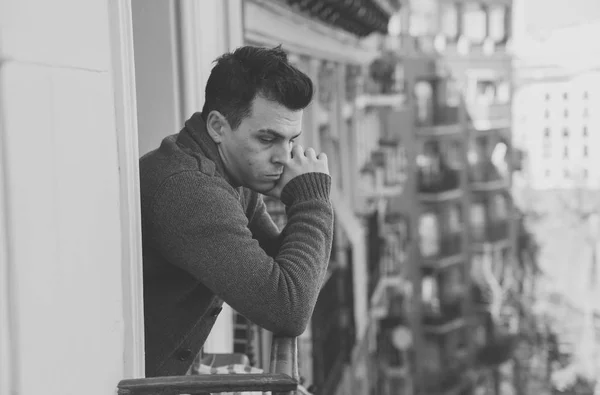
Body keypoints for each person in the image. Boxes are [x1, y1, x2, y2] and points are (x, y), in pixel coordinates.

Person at [139, 45, 334, 377]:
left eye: (290, 140)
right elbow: (288, 308)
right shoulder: (190, 189)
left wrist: (301, 198)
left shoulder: (229, 175)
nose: (284, 157)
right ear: (218, 126)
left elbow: (283, 266)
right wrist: (312, 201)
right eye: (267, 138)